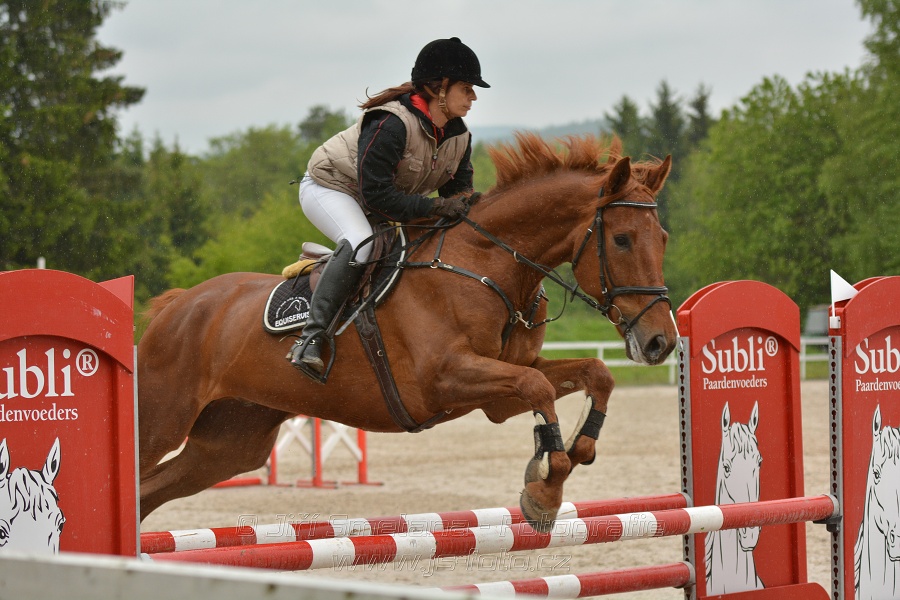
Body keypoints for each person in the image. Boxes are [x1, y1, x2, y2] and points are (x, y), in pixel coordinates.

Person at [287, 37, 490, 379]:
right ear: (440, 88)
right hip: (333, 187)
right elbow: (377, 196)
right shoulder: (391, 124)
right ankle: (310, 338)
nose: (473, 97)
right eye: (467, 88)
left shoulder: (459, 136)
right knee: (360, 243)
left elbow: (457, 194)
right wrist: (436, 207)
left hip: (381, 199)